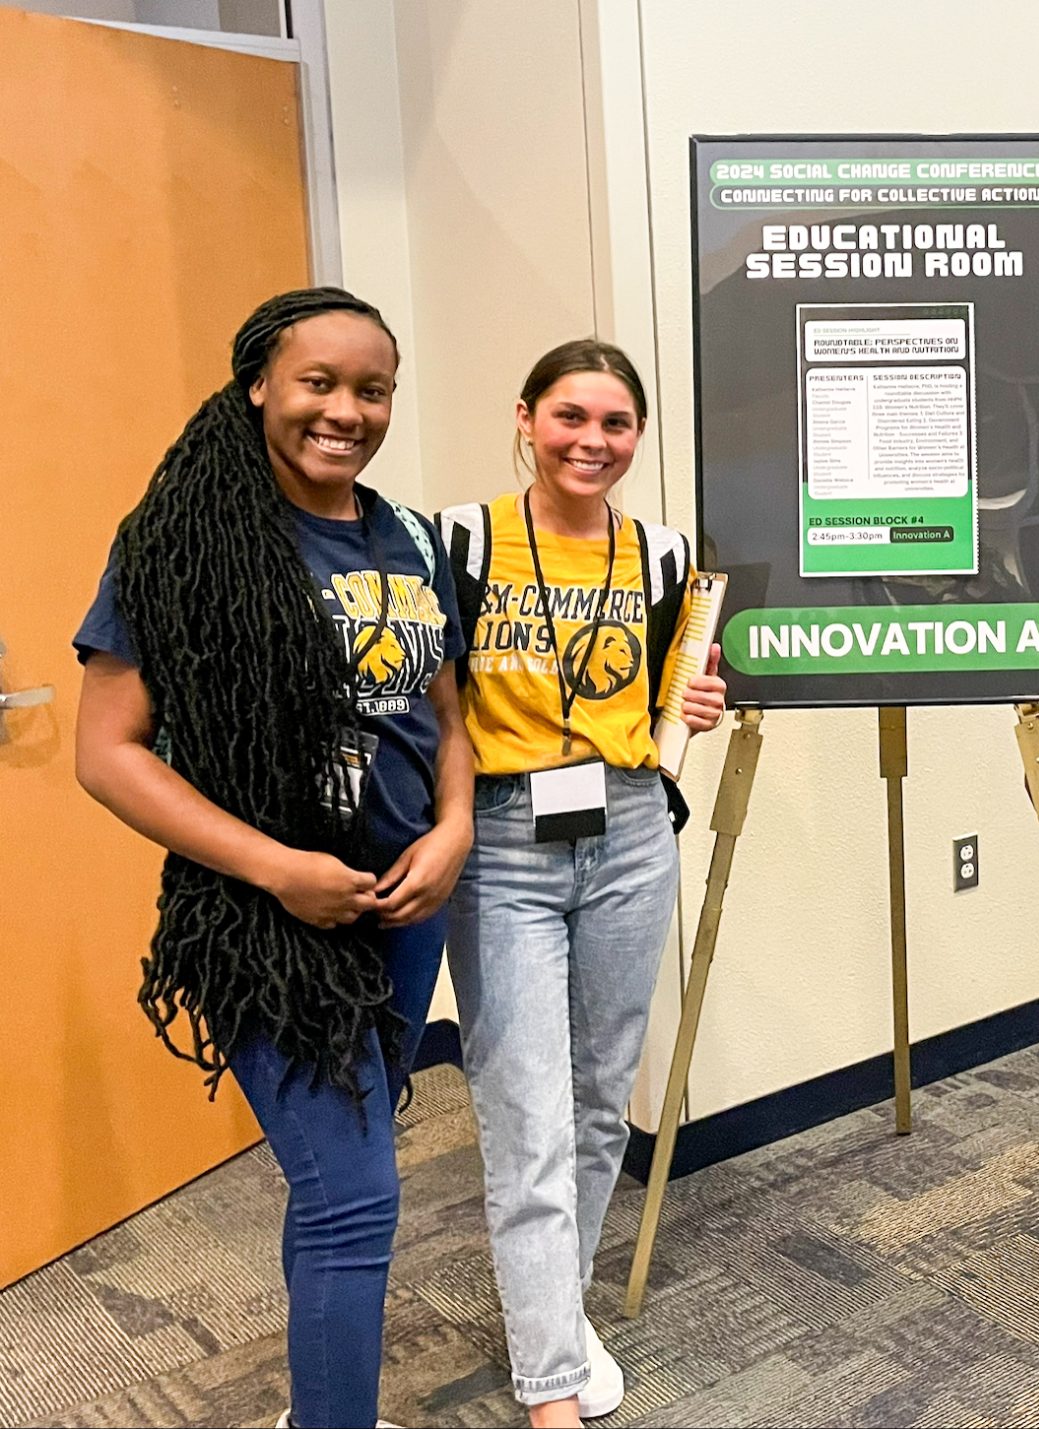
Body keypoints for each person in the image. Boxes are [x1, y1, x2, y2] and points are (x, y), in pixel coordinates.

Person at [73, 287, 473, 1429]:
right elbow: (108, 754)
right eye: (319, 382)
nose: (346, 410)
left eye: (372, 389)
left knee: (333, 1181)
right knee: (356, 1200)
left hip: (403, 908)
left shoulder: (405, 535)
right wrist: (275, 866)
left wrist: (453, 828)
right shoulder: (181, 539)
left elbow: (446, 712)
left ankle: (317, 1411)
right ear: (259, 382)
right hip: (265, 920)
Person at [438, 339, 725, 1428]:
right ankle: (550, 1383)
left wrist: (690, 709)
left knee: (603, 1102)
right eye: (569, 417)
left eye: (613, 424)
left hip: (629, 828)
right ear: (525, 418)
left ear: (635, 438)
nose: (590, 442)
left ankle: (554, 1309)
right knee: (527, 1114)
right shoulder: (459, 540)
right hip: (504, 840)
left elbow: (671, 692)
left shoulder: (660, 555)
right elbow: (439, 704)